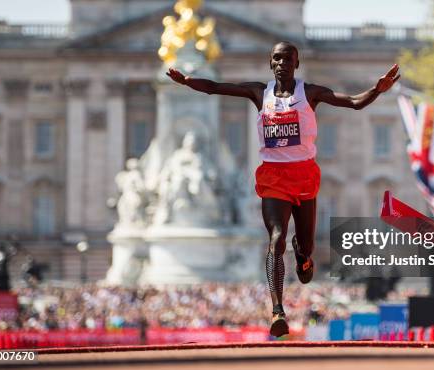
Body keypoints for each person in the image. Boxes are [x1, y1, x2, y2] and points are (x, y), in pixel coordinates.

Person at [166, 41, 400, 337]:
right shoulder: (258, 92)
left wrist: (378, 89)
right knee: (276, 237)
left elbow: (353, 102)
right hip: (273, 176)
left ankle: (303, 256)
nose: (281, 63)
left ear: (296, 64)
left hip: (303, 174)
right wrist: (186, 81)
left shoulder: (310, 93)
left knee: (305, 246)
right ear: (270, 63)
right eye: (276, 58)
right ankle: (277, 310)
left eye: (287, 59)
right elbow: (215, 87)